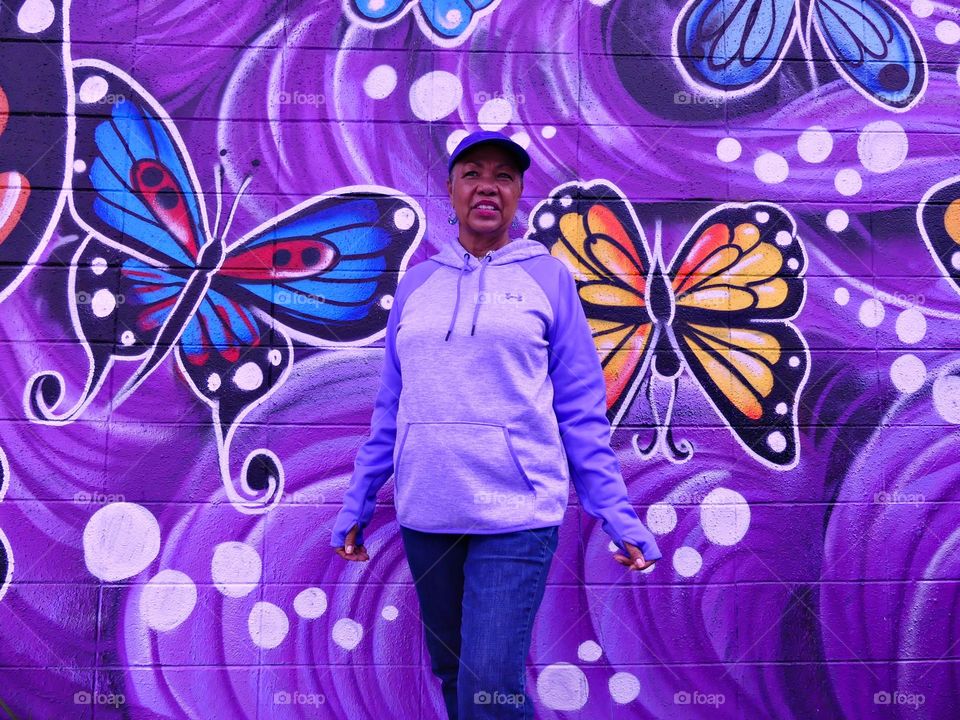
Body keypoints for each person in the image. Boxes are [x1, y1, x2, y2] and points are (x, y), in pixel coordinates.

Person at [331, 130, 662, 719]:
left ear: (517, 194)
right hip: (428, 512)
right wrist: (358, 501)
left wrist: (617, 514)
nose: (488, 186)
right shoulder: (417, 285)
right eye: (473, 173)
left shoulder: (549, 280)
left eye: (504, 176)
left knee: (490, 686)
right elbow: (391, 406)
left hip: (516, 515)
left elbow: (580, 412)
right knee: (455, 676)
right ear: (452, 188)